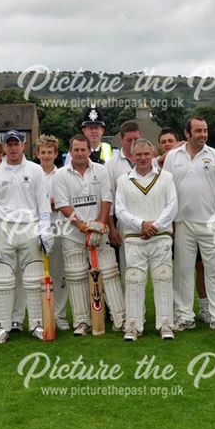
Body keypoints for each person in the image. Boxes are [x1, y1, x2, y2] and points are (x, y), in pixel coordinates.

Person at [162, 116, 215, 333]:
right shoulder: (172, 157)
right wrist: (171, 222)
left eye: (204, 130)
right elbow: (166, 191)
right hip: (182, 223)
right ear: (187, 133)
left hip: (210, 223)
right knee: (183, 271)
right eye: (198, 131)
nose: (202, 134)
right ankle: (184, 316)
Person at [53, 134, 126, 335]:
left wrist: (100, 225)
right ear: (70, 151)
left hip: (99, 231)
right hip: (73, 234)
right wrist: (83, 227)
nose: (79, 153)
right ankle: (82, 322)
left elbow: (106, 199)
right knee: (76, 276)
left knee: (110, 272)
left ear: (88, 150)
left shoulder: (101, 171)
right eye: (75, 150)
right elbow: (63, 205)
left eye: (83, 149)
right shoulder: (61, 175)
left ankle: (120, 318)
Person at [0, 130, 52, 343]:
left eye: (16, 143)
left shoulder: (35, 170)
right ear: (4, 147)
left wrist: (44, 232)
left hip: (29, 227)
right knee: (1, 278)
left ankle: (37, 324)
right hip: (4, 228)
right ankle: (1, 327)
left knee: (33, 278)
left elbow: (43, 205)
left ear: (23, 145)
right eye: (9, 144)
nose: (13, 148)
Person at [115, 139, 178, 340]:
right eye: (138, 155)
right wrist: (141, 224)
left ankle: (166, 324)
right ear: (132, 156)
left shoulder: (166, 177)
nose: (142, 158)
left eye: (146, 154)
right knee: (134, 279)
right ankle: (133, 326)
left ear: (153, 153)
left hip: (160, 237)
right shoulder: (123, 180)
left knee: (163, 277)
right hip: (134, 238)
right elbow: (120, 210)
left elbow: (172, 206)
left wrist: (155, 226)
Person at [37, 135, 69, 331]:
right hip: (37, 229)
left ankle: (59, 315)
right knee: (37, 274)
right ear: (37, 154)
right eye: (43, 153)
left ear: (56, 154)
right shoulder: (32, 174)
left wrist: (49, 204)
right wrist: (49, 204)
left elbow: (63, 202)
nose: (46, 156)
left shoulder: (62, 175)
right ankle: (40, 316)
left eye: (50, 152)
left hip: (58, 227)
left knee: (59, 273)